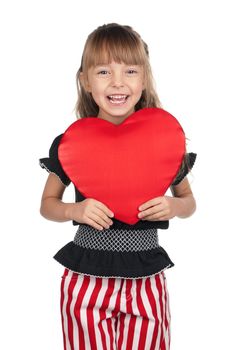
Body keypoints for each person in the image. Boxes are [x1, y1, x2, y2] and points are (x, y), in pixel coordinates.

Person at [39, 23, 197, 350]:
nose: (117, 82)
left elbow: (189, 202)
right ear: (84, 80)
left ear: (144, 78)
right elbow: (48, 204)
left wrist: (174, 206)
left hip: (147, 276)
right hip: (86, 278)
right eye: (103, 71)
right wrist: (75, 209)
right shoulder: (71, 143)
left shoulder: (164, 139)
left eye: (129, 70)